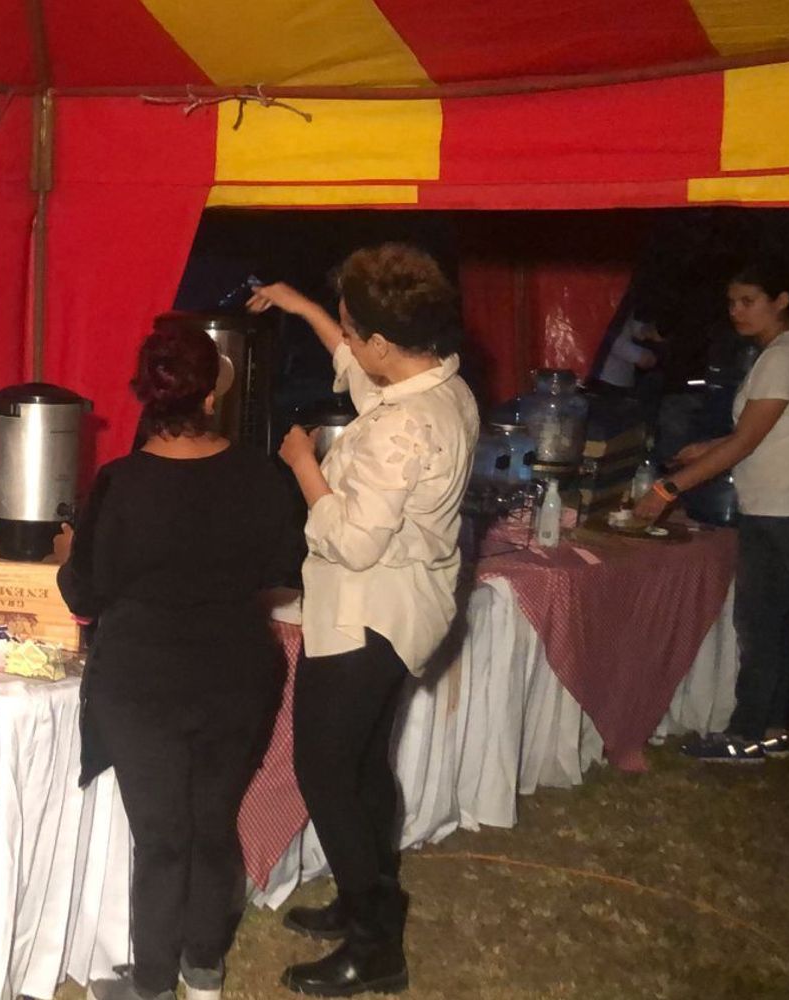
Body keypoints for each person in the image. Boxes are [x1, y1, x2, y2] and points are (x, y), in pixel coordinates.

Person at [247, 244, 478, 997]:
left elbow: (350, 539)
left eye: (351, 330)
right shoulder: (440, 386)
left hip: (368, 614)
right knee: (365, 761)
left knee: (325, 771)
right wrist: (307, 308)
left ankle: (377, 945)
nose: (345, 343)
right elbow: (358, 371)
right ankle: (363, 898)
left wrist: (303, 464)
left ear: (383, 343)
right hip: (410, 605)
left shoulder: (399, 429)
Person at [58, 325, 304, 1000]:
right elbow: (284, 569)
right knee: (212, 822)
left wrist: (70, 551)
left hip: (143, 685)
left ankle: (158, 981)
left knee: (162, 835)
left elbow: (83, 593)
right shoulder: (260, 474)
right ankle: (202, 970)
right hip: (236, 675)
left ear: (146, 388)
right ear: (215, 385)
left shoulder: (120, 483)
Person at [636, 259, 789, 762]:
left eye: (748, 301)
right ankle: (770, 729)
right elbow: (760, 431)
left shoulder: (783, 357)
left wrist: (667, 490)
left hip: (785, 510)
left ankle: (747, 734)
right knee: (774, 621)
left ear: (782, 300)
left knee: (760, 623)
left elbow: (748, 441)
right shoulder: (783, 352)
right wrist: (706, 446)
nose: (737, 311)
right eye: (732, 302)